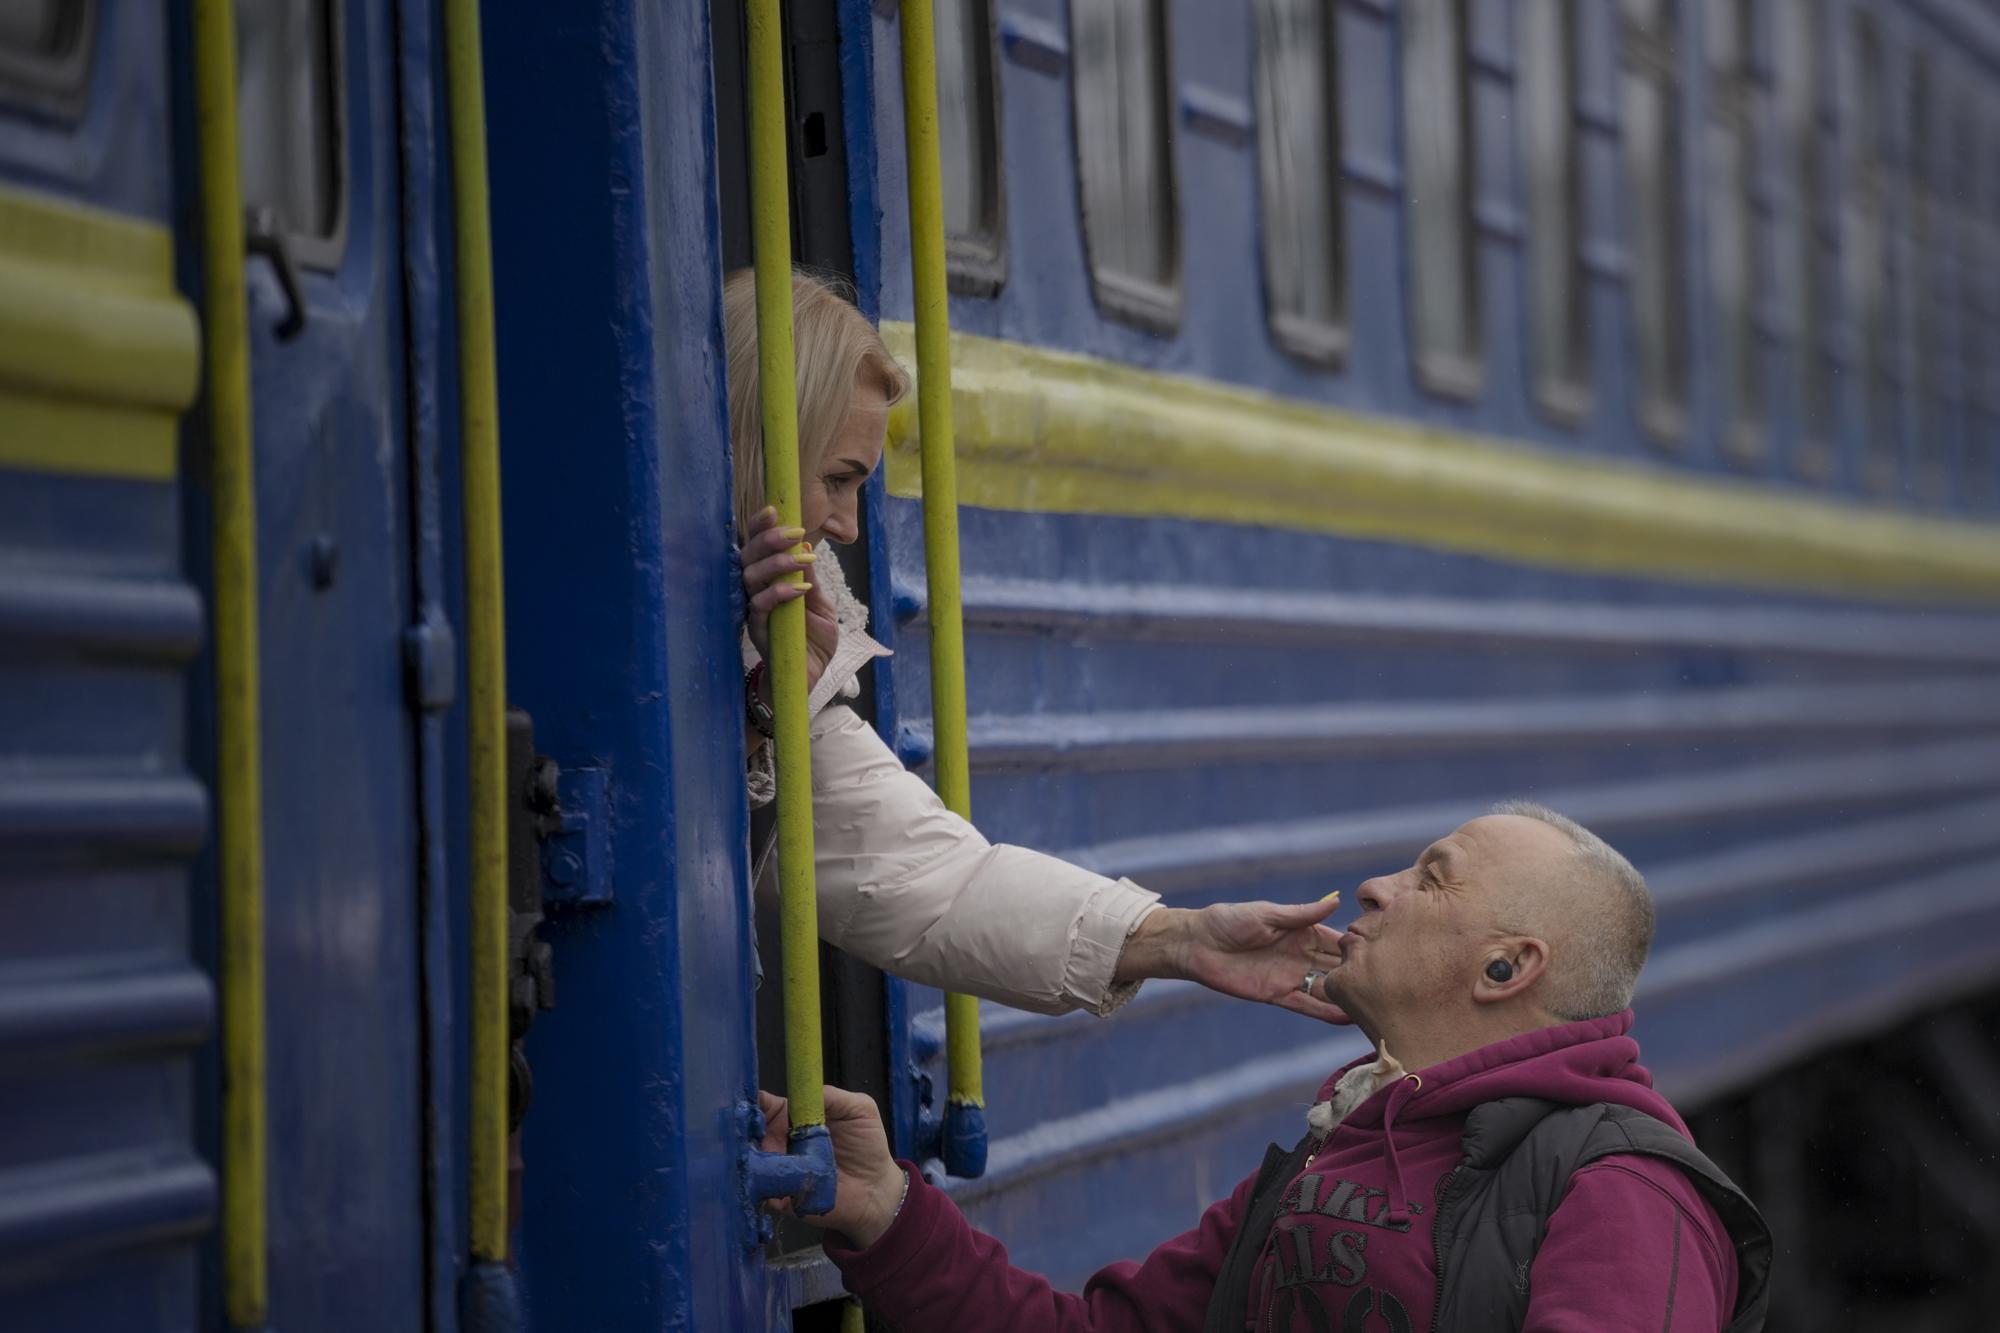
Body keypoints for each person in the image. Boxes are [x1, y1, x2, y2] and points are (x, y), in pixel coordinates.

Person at [767, 802, 1775, 1332]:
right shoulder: (1329, 1157)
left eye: (1429, 877)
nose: (1374, 887)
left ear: (1506, 966)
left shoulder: (1624, 1192)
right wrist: (887, 1211)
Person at [726, 267, 1347, 1021]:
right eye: (838, 478)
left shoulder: (789, 626)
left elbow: (933, 881)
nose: (849, 526)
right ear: (752, 442)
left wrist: (1180, 939)